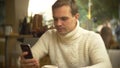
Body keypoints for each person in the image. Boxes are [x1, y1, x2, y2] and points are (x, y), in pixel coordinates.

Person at [19, 0, 112, 68]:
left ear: (76, 17)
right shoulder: (49, 35)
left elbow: (106, 65)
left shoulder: (93, 38)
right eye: (55, 19)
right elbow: (26, 59)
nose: (58, 24)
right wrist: (23, 62)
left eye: (64, 19)